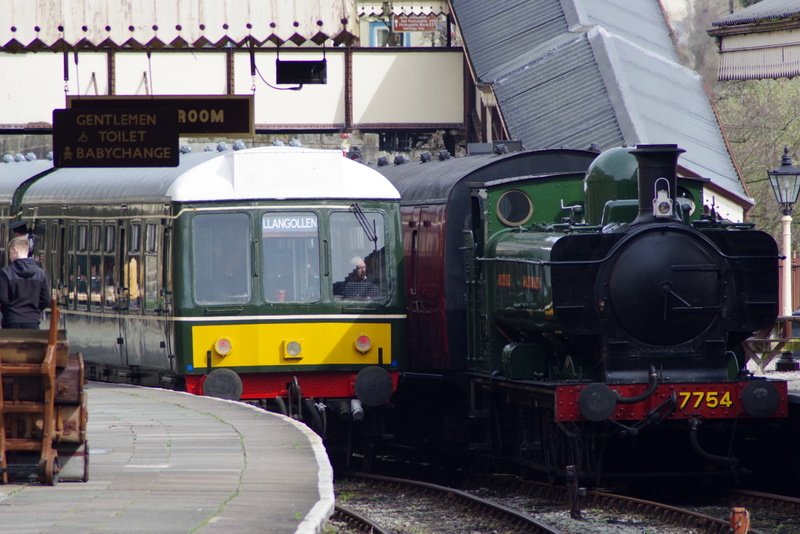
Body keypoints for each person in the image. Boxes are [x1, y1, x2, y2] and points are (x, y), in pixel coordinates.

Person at [0, 236, 50, 329]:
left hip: (11, 321)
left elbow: (3, 298)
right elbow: (46, 299)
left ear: (15, 250)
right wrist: (34, 311)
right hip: (32, 321)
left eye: (10, 252)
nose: (10, 256)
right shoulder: (40, 273)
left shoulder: (6, 272)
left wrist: (10, 311)